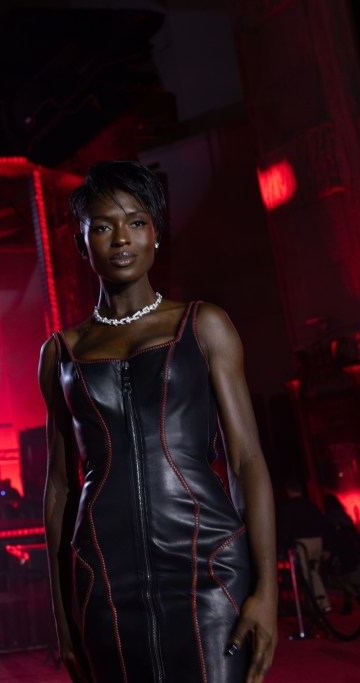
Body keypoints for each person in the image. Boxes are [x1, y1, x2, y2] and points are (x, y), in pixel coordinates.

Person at [39, 161, 278, 683]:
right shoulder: (61, 353)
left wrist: (267, 590)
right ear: (82, 244)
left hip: (208, 568)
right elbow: (59, 489)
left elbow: (246, 460)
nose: (121, 238)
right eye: (103, 226)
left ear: (156, 233)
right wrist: (62, 617)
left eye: (136, 222)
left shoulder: (203, 325)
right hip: (105, 580)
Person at [277, 479, 332, 613]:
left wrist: (282, 546)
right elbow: (324, 525)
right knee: (314, 572)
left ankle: (317, 604)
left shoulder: (290, 507)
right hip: (317, 541)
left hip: (303, 543)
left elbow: (286, 529)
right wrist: (326, 546)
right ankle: (322, 603)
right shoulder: (312, 505)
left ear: (289, 491)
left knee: (307, 574)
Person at [322, 492, 360, 614]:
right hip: (349, 550)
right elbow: (354, 533)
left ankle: (356, 598)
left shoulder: (330, 517)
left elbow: (331, 537)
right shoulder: (344, 515)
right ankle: (347, 604)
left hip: (339, 552)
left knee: (340, 579)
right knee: (346, 578)